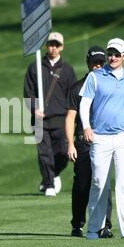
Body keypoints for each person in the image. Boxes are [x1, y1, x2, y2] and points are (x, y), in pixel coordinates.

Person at [79, 38, 124, 240]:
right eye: (110, 53)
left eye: (117, 54)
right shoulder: (95, 77)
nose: (113, 57)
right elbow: (85, 103)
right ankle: (94, 228)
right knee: (99, 182)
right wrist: (86, 126)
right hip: (100, 137)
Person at [65, 46, 113, 238]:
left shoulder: (110, 86)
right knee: (83, 184)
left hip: (106, 141)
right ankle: (78, 223)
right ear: (88, 63)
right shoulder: (77, 87)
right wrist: (70, 144)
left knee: (103, 183)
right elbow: (70, 118)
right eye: (95, 62)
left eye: (101, 62)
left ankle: (105, 226)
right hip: (83, 143)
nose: (98, 66)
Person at [24, 32, 77, 196]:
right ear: (46, 46)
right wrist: (34, 109)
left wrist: (72, 116)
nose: (53, 48)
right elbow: (28, 92)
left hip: (61, 119)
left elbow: (73, 95)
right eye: (50, 44)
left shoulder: (67, 70)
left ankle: (53, 175)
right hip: (40, 120)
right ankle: (49, 185)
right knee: (44, 153)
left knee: (62, 154)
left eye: (57, 44)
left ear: (62, 47)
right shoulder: (35, 67)